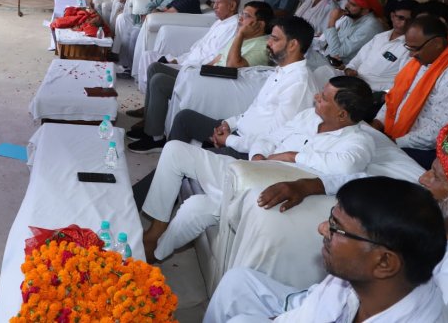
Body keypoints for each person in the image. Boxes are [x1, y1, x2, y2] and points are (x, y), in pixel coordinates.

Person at [210, 121, 448, 323]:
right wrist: (309, 185)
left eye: (436, 177)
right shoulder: (432, 207)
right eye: (430, 169)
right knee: (236, 283)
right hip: (330, 303)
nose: (422, 179)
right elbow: (372, 183)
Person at [140, 77, 379, 264]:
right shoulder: (309, 116)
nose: (316, 97)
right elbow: (269, 138)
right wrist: (257, 156)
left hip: (268, 190)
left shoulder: (359, 142)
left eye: (324, 97)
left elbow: (345, 167)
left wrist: (292, 156)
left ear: (342, 114)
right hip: (250, 171)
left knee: (185, 179)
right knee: (188, 187)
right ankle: (155, 247)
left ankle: (153, 243)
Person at [206, 177, 448, 323]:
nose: (322, 229)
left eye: (336, 227)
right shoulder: (358, 281)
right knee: (237, 285)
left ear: (384, 262)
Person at [127, 0, 273, 153]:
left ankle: (155, 138)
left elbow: (232, 67)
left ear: (260, 24)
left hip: (217, 86)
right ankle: (149, 124)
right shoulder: (242, 38)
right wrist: (196, 72)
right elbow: (217, 59)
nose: (241, 18)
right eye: (242, 14)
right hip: (205, 77)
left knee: (159, 81)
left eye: (246, 16)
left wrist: (241, 34)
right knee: (155, 68)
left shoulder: (261, 46)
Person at [165, 16, 317, 152]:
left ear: (293, 45)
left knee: (184, 159)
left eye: (275, 39)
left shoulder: (299, 83)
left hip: (250, 150)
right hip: (238, 133)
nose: (268, 43)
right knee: (184, 118)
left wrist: (229, 141)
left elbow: (275, 137)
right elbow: (253, 110)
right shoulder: (280, 70)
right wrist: (227, 124)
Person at [369, 15, 448, 168]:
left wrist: (393, 142)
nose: (411, 54)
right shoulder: (424, 60)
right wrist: (378, 122)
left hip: (434, 151)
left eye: (415, 49)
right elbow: (397, 97)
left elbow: (441, 132)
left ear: (437, 43)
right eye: (409, 48)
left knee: (372, 163)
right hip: (400, 135)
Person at [133, 0, 233, 92]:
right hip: (186, 60)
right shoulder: (218, 23)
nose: (214, 7)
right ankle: (146, 96)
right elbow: (197, 48)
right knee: (147, 55)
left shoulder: (233, 27)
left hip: (194, 68)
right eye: (214, 3)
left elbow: (215, 58)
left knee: (154, 67)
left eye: (218, 3)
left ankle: (150, 101)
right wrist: (178, 59)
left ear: (232, 6)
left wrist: (184, 63)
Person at [336, 0, 418, 91]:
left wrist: (377, 93)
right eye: (400, 18)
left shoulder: (410, 48)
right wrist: (349, 69)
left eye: (409, 20)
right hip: (352, 83)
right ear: (392, 16)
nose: (403, 24)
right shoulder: (380, 37)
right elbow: (359, 58)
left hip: (371, 93)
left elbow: (400, 82)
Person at [306, 0, 385, 69]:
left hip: (343, 70)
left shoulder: (370, 26)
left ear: (365, 10)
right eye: (348, 2)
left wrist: (332, 21)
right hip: (327, 59)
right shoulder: (351, 16)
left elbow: (337, 53)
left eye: (353, 5)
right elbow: (331, 44)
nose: (347, 6)